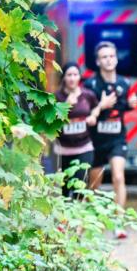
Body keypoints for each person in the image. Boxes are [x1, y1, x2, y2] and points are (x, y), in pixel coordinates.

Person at [85, 41, 137, 239]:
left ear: (116, 59)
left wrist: (132, 104)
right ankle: (88, 222)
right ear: (98, 62)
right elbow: (85, 114)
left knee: (118, 176)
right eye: (104, 57)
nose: (108, 60)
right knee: (94, 185)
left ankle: (119, 223)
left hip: (117, 138)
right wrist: (101, 105)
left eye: (111, 56)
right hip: (96, 140)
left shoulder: (124, 84)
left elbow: (125, 106)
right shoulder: (90, 85)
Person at [54, 62, 100, 199]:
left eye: (75, 75)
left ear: (80, 77)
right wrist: (66, 105)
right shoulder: (56, 97)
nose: (72, 78)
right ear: (63, 77)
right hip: (62, 150)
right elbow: (51, 122)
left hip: (84, 148)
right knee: (63, 191)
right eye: (69, 75)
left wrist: (93, 116)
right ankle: (64, 219)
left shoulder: (88, 95)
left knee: (79, 187)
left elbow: (96, 108)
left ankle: (78, 218)